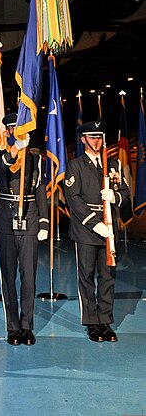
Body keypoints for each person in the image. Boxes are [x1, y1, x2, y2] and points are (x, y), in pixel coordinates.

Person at [64, 120, 130, 342]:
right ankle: (92, 322)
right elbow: (73, 199)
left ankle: (105, 321)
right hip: (87, 230)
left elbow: (125, 191)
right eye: (92, 137)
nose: (97, 141)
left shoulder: (113, 165)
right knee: (86, 276)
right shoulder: (75, 165)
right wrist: (95, 223)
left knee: (108, 276)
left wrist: (115, 197)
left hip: (110, 228)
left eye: (99, 137)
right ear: (83, 139)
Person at [0, 113, 49, 346]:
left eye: (22, 129)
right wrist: (14, 150)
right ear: (7, 132)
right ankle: (13, 327)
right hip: (6, 219)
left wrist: (43, 221)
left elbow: (41, 190)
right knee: (9, 276)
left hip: (30, 218)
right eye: (14, 129)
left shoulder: (35, 158)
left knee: (29, 277)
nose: (18, 133)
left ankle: (27, 325)